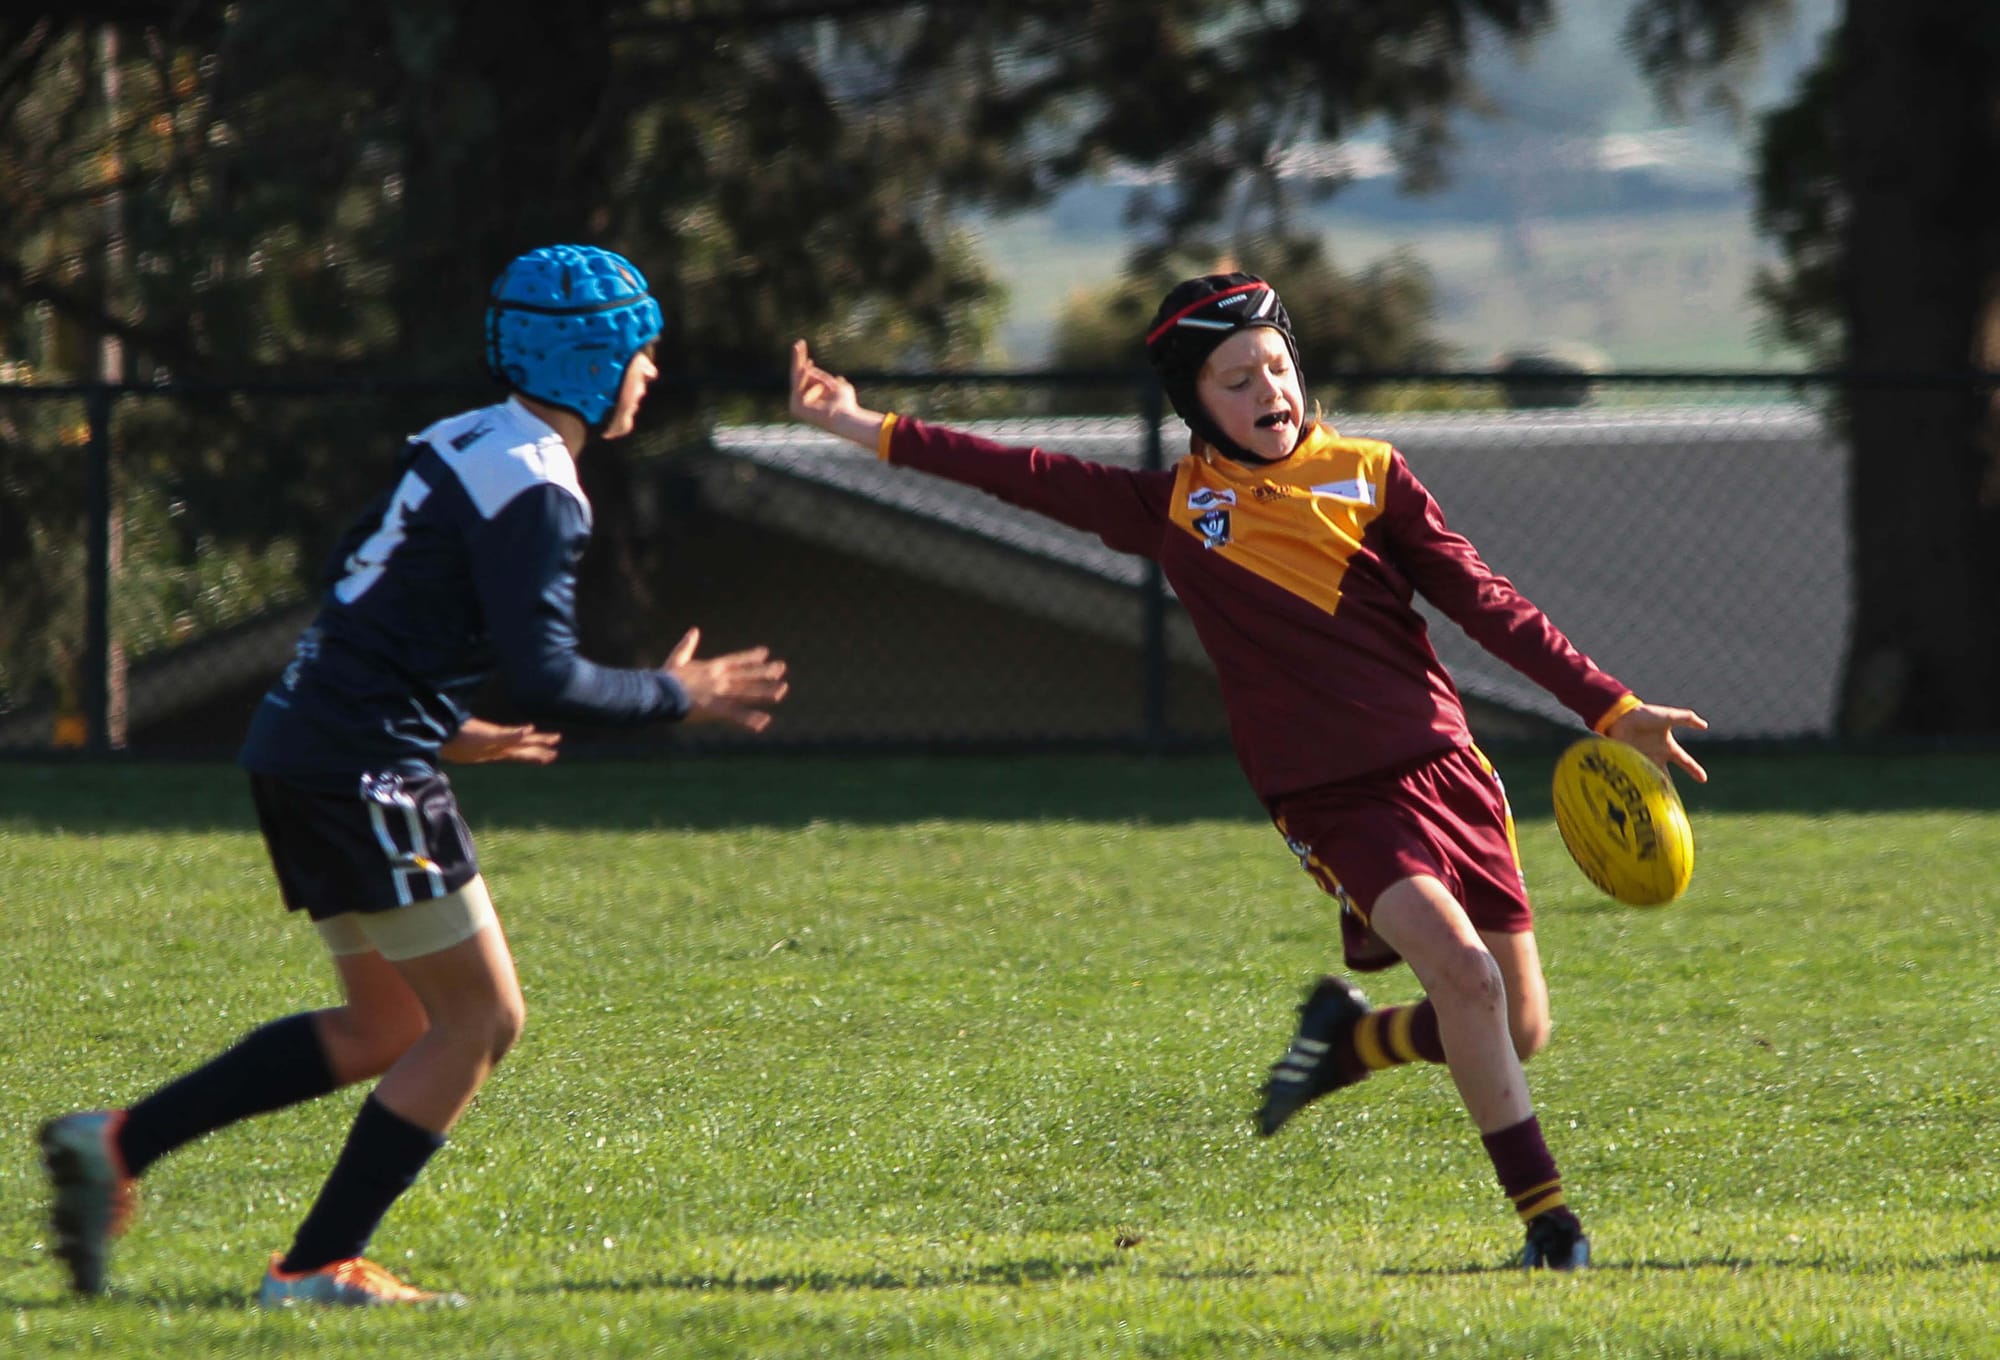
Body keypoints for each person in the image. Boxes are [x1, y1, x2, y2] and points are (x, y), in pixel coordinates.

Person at [786, 272, 1707, 1270]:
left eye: (1276, 365)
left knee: (1515, 1027)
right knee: (1467, 980)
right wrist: (854, 422)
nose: (1268, 388)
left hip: (1450, 772)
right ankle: (1551, 1227)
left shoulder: (1373, 473)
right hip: (1335, 798)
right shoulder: (1174, 509)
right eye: (1235, 379)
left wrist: (1610, 708)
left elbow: (1486, 602)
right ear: (1193, 405)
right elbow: (1014, 469)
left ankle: (1346, 1042)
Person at [39, 244, 790, 1307]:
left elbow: (369, 606)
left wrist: (443, 724)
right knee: (481, 1020)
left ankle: (116, 1140)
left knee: (380, 1028)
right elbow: (549, 675)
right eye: (642, 350)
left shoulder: (458, 440)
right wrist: (679, 693)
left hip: (306, 749)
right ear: (592, 356)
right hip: (360, 770)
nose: (651, 372)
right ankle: (312, 1267)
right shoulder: (540, 485)